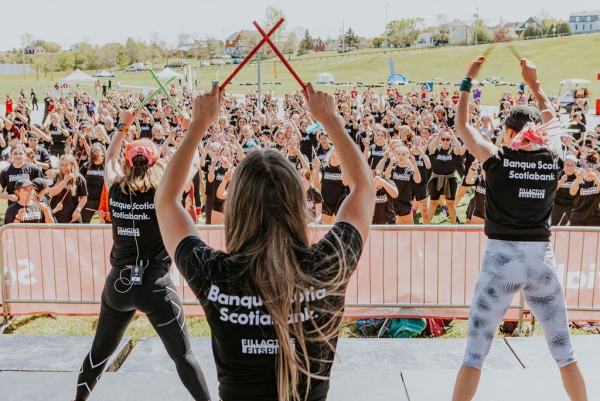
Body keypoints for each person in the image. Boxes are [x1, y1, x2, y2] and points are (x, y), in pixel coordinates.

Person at [155, 83, 375, 401]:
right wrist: (330, 118)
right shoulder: (328, 264)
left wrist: (199, 124)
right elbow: (364, 190)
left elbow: (165, 201)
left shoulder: (216, 275)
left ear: (236, 208)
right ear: (298, 205)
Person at [452, 56, 587, 401]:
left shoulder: (495, 160)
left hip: (501, 260)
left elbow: (463, 126)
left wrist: (469, 79)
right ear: (538, 134)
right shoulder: (554, 159)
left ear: (509, 133)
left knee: (474, 356)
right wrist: (535, 84)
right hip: (542, 260)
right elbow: (554, 125)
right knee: (565, 354)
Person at [71, 112, 212, 401]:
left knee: (98, 354)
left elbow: (109, 158)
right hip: (155, 285)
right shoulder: (164, 193)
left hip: (117, 286)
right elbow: (194, 162)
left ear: (129, 161)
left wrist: (123, 123)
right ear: (156, 161)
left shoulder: (115, 189)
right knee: (183, 355)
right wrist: (190, 129)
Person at [49, 154, 88, 223]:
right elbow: (51, 193)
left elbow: (83, 197)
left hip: (73, 215)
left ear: (72, 165)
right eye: (61, 165)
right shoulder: (56, 176)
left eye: (66, 165)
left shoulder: (79, 178)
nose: (63, 168)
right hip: (57, 215)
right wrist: (65, 181)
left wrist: (77, 210)